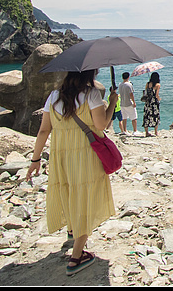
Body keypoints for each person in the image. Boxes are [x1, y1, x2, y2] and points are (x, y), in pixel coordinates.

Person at [25, 70, 118, 276]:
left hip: (62, 155)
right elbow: (102, 125)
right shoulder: (92, 94)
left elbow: (43, 131)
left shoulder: (54, 96)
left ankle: (71, 230)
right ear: (89, 76)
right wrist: (111, 102)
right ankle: (76, 258)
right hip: (86, 154)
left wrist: (36, 158)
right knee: (86, 197)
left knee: (68, 189)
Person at [142, 72, 161, 137]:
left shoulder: (147, 84)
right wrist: (159, 99)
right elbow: (156, 95)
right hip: (154, 103)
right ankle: (156, 132)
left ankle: (146, 132)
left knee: (146, 115)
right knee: (155, 115)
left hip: (148, 102)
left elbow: (146, 92)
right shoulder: (158, 85)